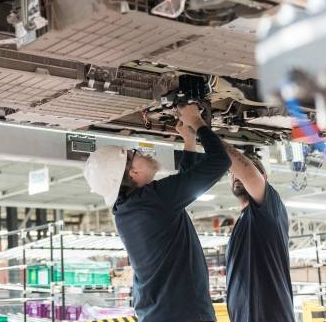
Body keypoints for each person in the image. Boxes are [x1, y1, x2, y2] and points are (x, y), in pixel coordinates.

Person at [84, 104, 231, 322]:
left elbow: (181, 188)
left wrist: (189, 142)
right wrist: (197, 122)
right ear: (133, 173)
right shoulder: (150, 201)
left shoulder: (130, 209)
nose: (142, 153)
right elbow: (220, 161)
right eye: (135, 154)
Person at [221, 143, 295, 322]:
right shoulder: (243, 222)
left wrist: (201, 128)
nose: (236, 175)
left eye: (241, 171)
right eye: (232, 173)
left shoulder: (270, 208)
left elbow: (248, 174)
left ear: (264, 178)